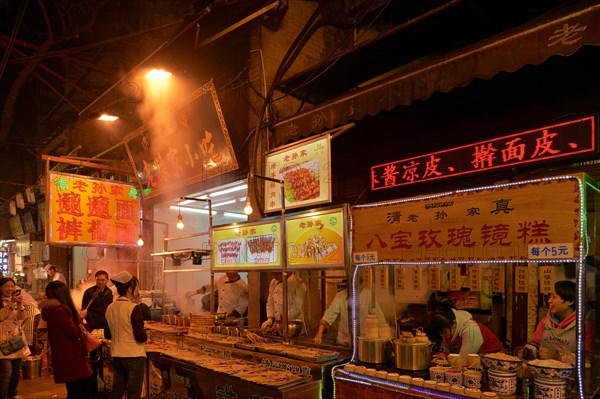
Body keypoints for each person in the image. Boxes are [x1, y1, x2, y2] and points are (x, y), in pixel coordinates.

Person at [40, 281, 93, 398]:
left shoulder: (52, 310)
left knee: (74, 390)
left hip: (64, 356)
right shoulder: (60, 311)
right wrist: (81, 320)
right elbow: (74, 333)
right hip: (71, 357)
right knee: (80, 391)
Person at [104, 271, 147, 399]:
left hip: (117, 356)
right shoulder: (133, 307)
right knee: (133, 394)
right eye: (136, 288)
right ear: (129, 289)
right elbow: (141, 336)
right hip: (134, 356)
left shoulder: (110, 307)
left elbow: (107, 334)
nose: (137, 291)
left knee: (117, 392)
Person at [515, 280, 576, 364]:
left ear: (570, 301)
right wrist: (527, 351)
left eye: (554, 297)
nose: (549, 301)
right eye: (549, 297)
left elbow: (586, 360)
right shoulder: (546, 321)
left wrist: (555, 356)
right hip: (544, 372)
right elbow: (536, 344)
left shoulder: (583, 325)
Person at [428, 299, 504, 365]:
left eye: (443, 331)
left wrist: (446, 359)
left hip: (497, 363)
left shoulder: (471, 330)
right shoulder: (450, 330)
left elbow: (462, 362)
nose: (442, 335)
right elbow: (448, 354)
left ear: (454, 323)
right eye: (439, 333)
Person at [314, 287, 386, 346]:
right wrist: (319, 336)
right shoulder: (340, 296)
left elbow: (380, 318)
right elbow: (328, 316)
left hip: (363, 343)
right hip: (343, 342)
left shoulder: (369, 296)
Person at [0, 277, 27, 399]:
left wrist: (20, 305)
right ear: (0, 288)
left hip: (15, 341)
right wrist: (11, 303)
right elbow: (1, 316)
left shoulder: (15, 302)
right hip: (2, 341)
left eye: (12, 286)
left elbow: (22, 317)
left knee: (16, 373)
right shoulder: (4, 302)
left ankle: (12, 394)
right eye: (7, 286)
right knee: (6, 373)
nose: (10, 289)